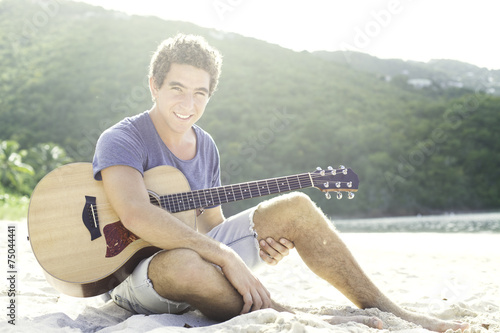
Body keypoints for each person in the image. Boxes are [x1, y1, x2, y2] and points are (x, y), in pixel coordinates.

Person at [92, 34, 468, 332]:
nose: (187, 103)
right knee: (186, 264)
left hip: (193, 259)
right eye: (177, 88)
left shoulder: (205, 145)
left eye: (200, 92)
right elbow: (136, 213)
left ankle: (392, 310)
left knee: (297, 208)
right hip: (131, 272)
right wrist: (226, 255)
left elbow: (212, 227)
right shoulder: (124, 137)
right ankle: (288, 313)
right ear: (154, 85)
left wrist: (257, 245)